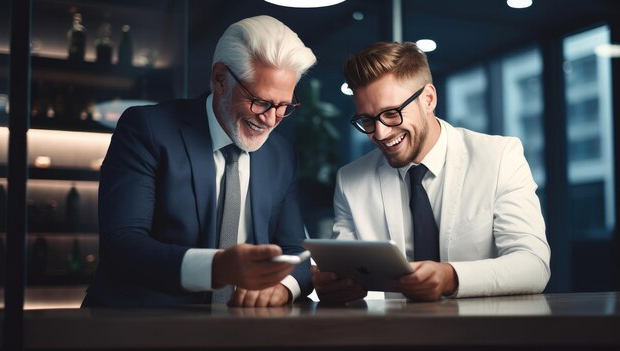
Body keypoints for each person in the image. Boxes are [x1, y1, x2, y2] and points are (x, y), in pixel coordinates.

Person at [82, 15, 317, 307]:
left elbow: (296, 251)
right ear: (220, 79)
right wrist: (217, 268)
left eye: (283, 106)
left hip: (242, 328)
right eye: (260, 102)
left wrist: (282, 288)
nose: (270, 119)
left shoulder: (280, 155)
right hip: (138, 326)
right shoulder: (147, 129)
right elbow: (122, 244)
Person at [312, 41, 550, 303]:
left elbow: (533, 265)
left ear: (428, 99)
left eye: (391, 113)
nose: (380, 134)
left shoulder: (499, 156)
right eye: (367, 120)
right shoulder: (350, 180)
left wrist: (450, 276)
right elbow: (345, 271)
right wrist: (332, 286)